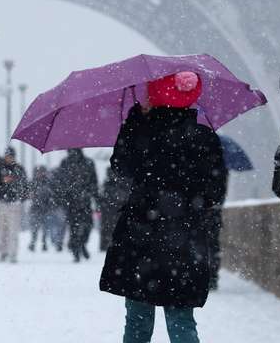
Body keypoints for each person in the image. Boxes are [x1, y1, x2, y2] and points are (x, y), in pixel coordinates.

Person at [100, 71, 227, 343]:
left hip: (140, 233)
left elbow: (120, 166)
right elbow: (215, 191)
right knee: (181, 320)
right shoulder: (205, 137)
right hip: (185, 238)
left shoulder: (142, 133)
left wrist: (136, 120)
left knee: (137, 320)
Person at [53, 147, 98, 262]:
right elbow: (60, 182)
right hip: (71, 201)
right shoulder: (65, 163)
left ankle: (82, 244)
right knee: (74, 227)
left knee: (88, 225)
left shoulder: (88, 162)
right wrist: (63, 196)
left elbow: (94, 181)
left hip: (85, 200)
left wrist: (93, 196)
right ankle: (75, 250)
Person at [0, 149, 28, 262]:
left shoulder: (19, 169)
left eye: (11, 156)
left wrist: (14, 183)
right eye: (7, 156)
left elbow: (25, 184)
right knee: (2, 230)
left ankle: (13, 254)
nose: (9, 158)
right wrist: (2, 182)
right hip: (1, 202)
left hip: (14, 203)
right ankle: (3, 252)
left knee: (13, 230)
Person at [97, 168, 133, 253]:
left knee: (109, 227)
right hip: (112, 206)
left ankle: (107, 245)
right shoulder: (121, 181)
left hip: (112, 207)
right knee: (110, 227)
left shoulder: (111, 181)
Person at [27, 166, 54, 252]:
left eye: (42, 172)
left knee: (45, 227)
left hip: (45, 209)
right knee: (35, 228)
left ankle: (43, 242)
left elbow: (51, 195)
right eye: (38, 172)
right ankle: (33, 242)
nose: (40, 174)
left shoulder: (48, 182)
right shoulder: (33, 183)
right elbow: (29, 193)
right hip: (36, 208)